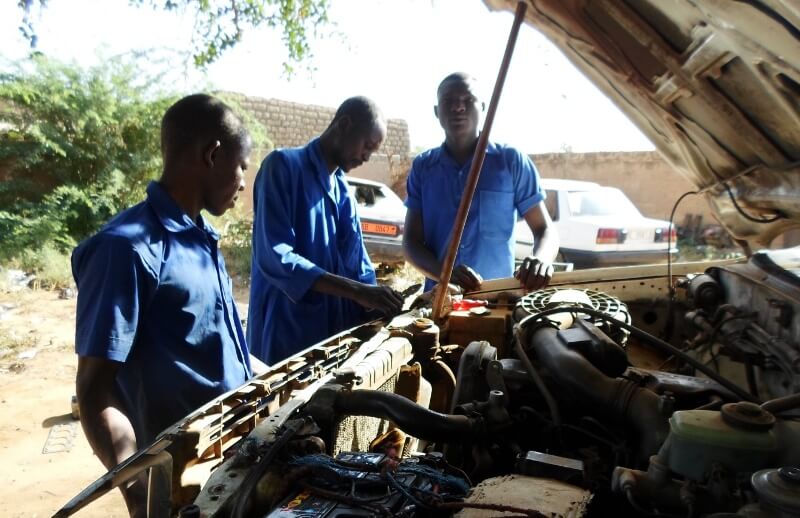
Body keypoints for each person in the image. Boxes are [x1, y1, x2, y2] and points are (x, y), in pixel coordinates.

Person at [72, 94, 258, 516]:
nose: (244, 182)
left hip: (231, 460)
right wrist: (140, 492)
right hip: (182, 486)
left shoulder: (200, 239)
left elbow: (216, 349)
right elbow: (94, 391)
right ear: (212, 155)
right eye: (242, 166)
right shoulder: (126, 249)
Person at [248, 96, 404, 366]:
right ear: (344, 125)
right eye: (367, 146)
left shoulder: (343, 190)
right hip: (285, 333)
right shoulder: (282, 166)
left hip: (331, 337)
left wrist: (380, 300)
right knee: (279, 404)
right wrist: (357, 291)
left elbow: (358, 264)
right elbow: (276, 256)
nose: (366, 157)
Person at [403, 72, 559, 293]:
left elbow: (544, 229)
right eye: (448, 101)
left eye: (468, 100)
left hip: (498, 298)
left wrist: (541, 259)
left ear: (483, 107)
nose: (458, 107)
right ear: (437, 112)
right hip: (442, 299)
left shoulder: (511, 161)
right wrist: (444, 273)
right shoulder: (423, 168)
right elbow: (410, 243)